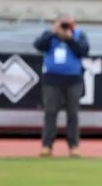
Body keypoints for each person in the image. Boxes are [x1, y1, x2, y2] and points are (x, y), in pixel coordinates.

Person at [33, 14, 90, 157]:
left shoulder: (79, 35)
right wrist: (53, 33)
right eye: (62, 24)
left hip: (73, 80)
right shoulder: (49, 35)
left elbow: (83, 51)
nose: (65, 28)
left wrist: (70, 39)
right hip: (52, 79)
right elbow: (38, 46)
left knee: (73, 114)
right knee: (50, 112)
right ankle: (47, 145)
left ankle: (73, 146)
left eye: (67, 24)